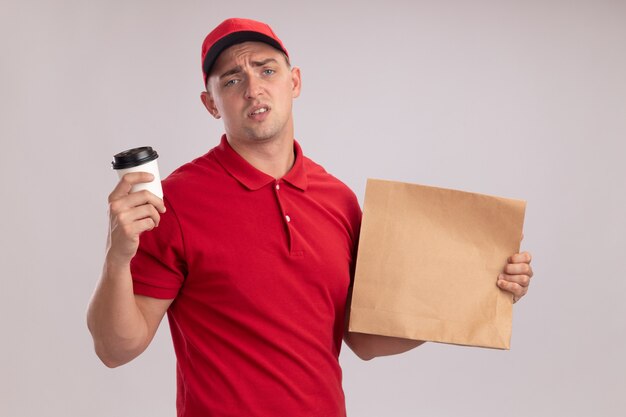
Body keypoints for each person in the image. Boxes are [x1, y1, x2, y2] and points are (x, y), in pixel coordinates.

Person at [87, 17, 534, 417]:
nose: (253, 88)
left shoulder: (337, 200)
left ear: (294, 81)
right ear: (210, 103)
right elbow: (115, 348)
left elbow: (366, 339)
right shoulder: (177, 201)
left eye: (267, 70)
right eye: (231, 80)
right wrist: (117, 258)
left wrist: (479, 289)